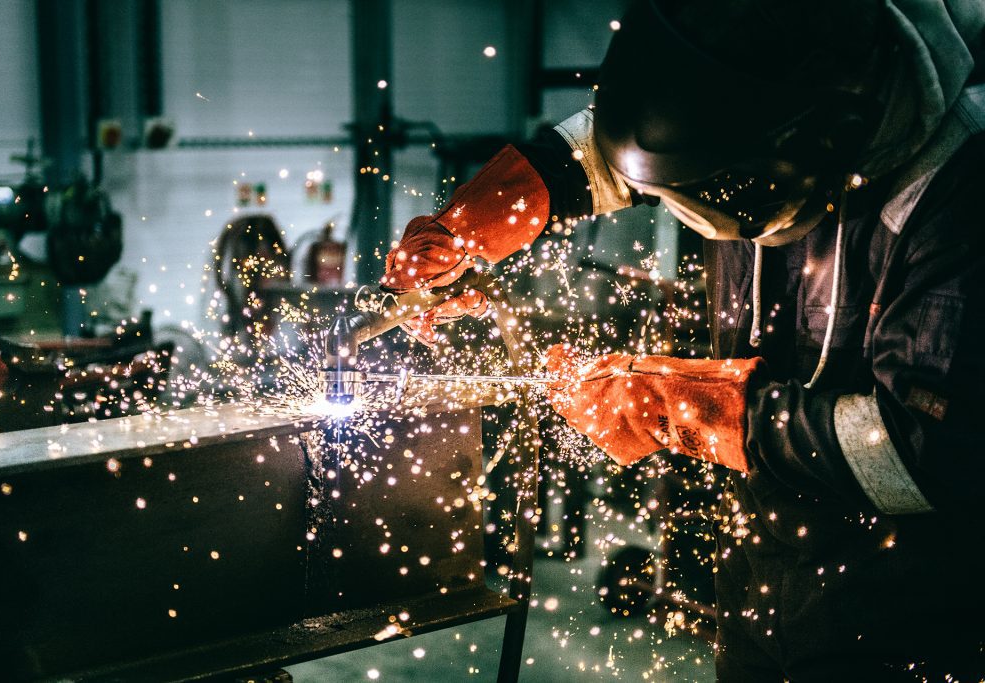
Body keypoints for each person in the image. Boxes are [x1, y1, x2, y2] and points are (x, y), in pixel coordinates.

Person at [381, 0, 985, 679]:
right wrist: (483, 216)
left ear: (799, 156)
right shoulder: (754, 101)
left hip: (915, 623)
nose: (678, 210)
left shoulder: (961, 183)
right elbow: (632, 146)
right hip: (762, 585)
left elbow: (922, 450)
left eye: (696, 200)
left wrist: (682, 405)